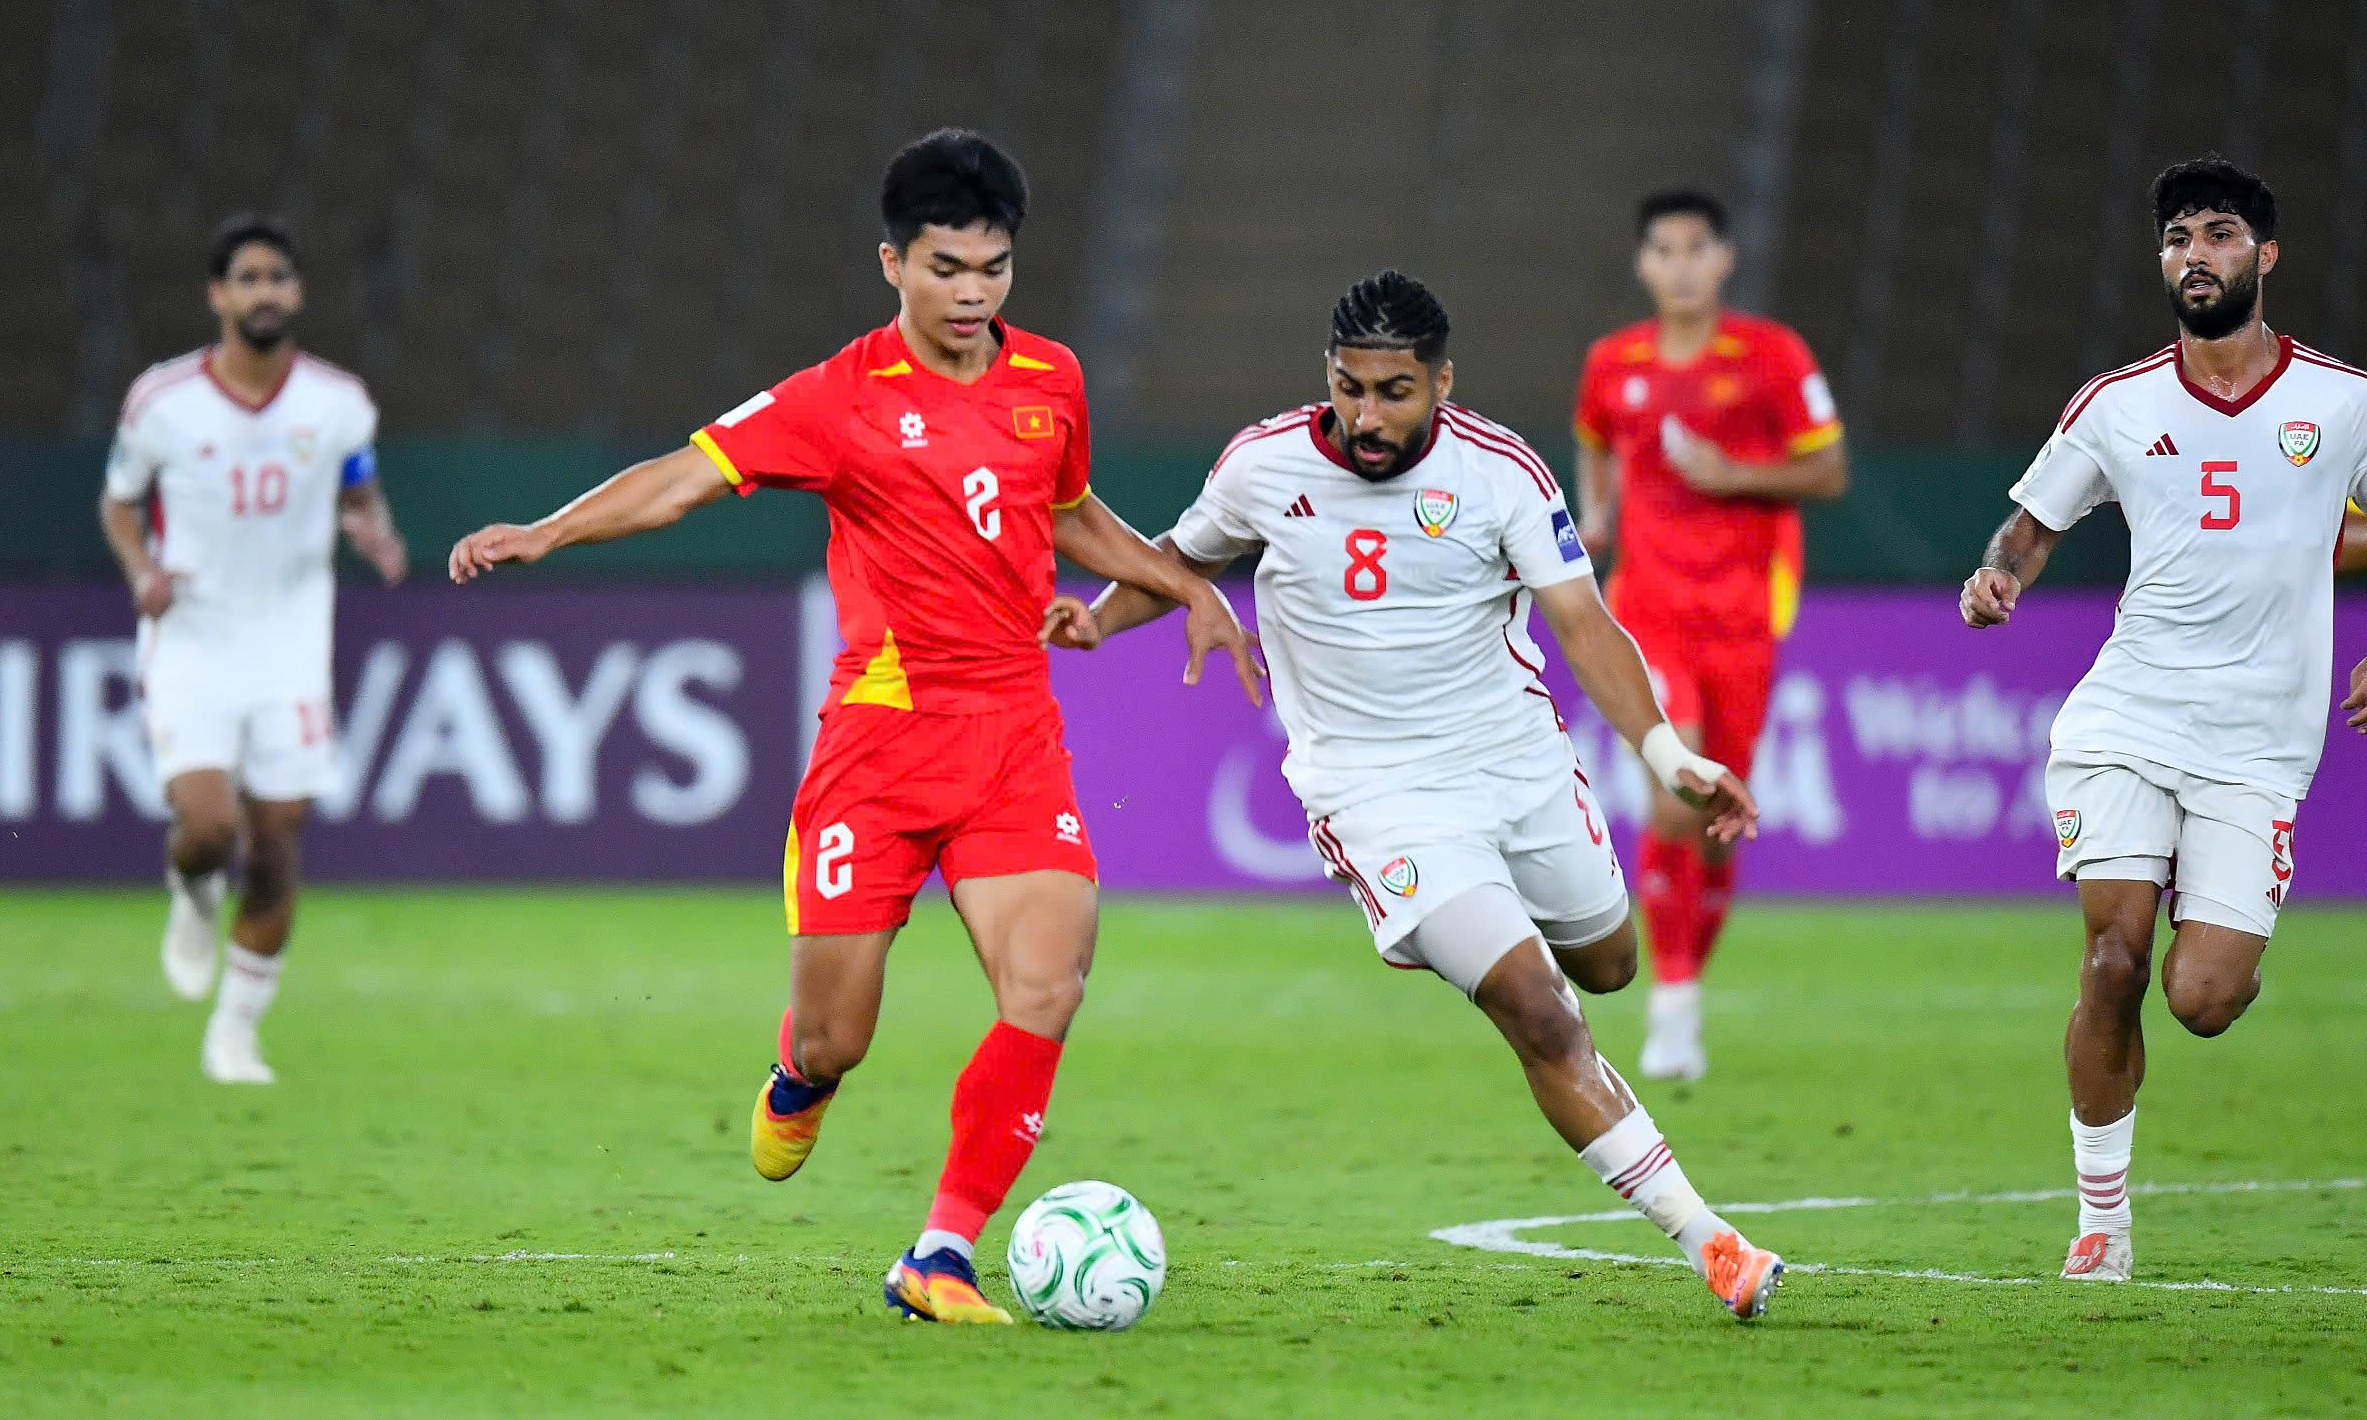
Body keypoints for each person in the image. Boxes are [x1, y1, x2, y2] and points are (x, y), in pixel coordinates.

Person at [449, 129, 1257, 1323]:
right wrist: (547, 532)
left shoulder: (1052, 379)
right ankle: (800, 1071)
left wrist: (1179, 583)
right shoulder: (839, 397)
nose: (973, 294)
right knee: (839, 1036)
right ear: (893, 264)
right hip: (878, 752)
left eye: (993, 268)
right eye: (946, 268)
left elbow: (1070, 510)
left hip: (1013, 734)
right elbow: (683, 476)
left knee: (1047, 984)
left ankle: (940, 1252)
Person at [1076, 270, 1788, 1321]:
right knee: (1539, 1011)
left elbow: (1583, 623)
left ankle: (1476, 926)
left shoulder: (1499, 472)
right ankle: (1712, 1241)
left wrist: (1664, 753)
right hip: (1376, 797)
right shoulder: (1263, 465)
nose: (1367, 416)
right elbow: (1179, 558)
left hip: (1514, 765)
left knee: (1607, 965)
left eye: (1394, 392)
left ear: (1442, 383)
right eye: (1349, 387)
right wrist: (1095, 621)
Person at [1961, 156, 2367, 1282]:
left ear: (2265, 255)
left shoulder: (2341, 402)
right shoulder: (2117, 403)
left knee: (2203, 999)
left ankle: (2222, 911)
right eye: (2179, 237)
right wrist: (1998, 575)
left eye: (2220, 233)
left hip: (2258, 742)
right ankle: (2102, 1222)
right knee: (2112, 962)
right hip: (2127, 714)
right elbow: (2030, 526)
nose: (2197, 254)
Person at [97, 214, 408, 1084]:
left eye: (277, 277)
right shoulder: (163, 403)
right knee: (206, 827)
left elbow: (359, 493)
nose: (264, 292)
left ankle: (234, 1033)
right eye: (248, 278)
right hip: (193, 636)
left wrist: (374, 533)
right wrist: (141, 571)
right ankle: (193, 889)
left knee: (275, 841)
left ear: (296, 293)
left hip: (290, 642)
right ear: (218, 296)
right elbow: (118, 503)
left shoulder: (337, 404)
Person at [1572, 190, 1848, 1081]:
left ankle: (1685, 985)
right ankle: (1672, 1003)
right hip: (1647, 612)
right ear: (1642, 263)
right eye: (1664, 250)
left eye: (1697, 249)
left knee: (1722, 818)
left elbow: (1828, 469)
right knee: (1674, 798)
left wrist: (1732, 473)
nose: (1681, 266)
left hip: (1741, 617)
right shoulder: (1611, 362)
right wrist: (1596, 511)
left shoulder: (1771, 356)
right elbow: (1593, 439)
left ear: (1723, 259)